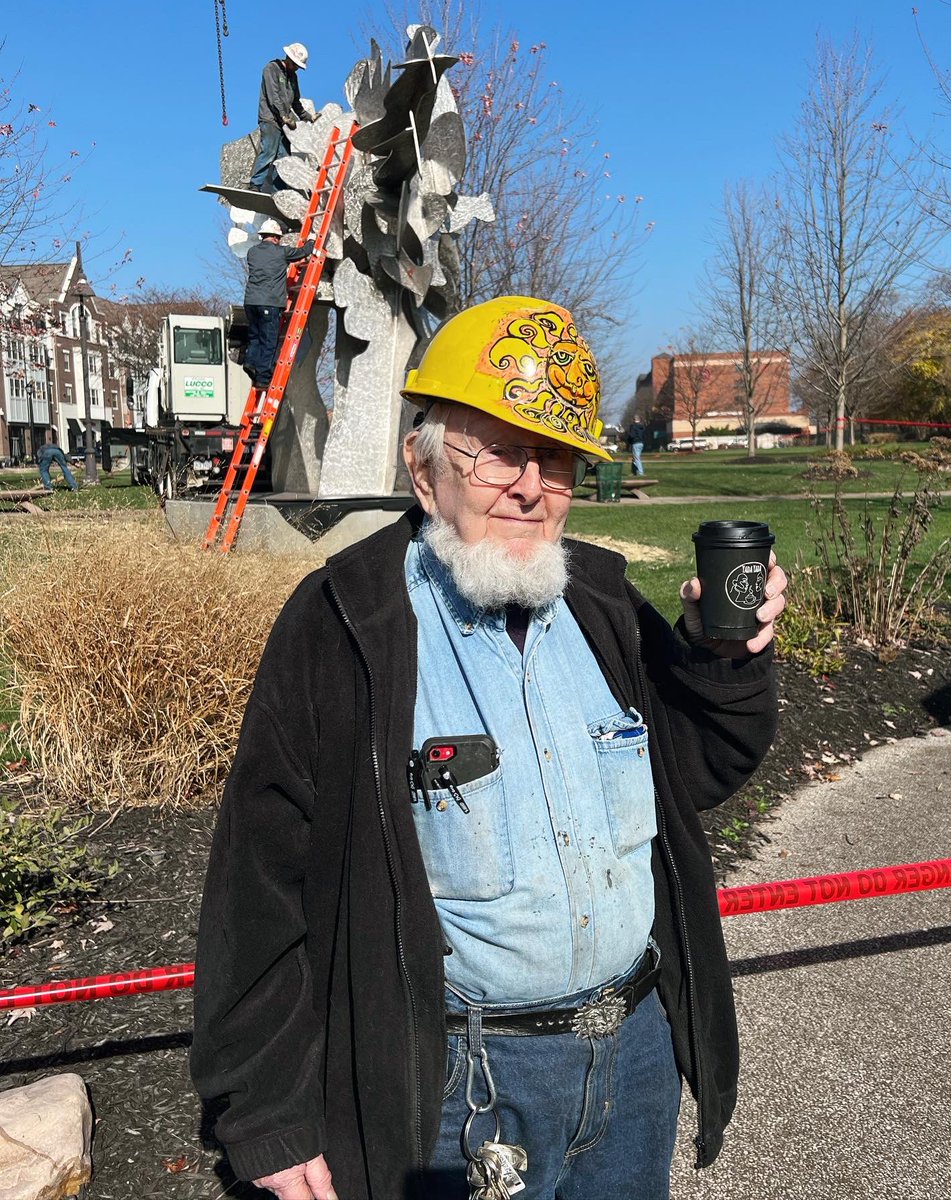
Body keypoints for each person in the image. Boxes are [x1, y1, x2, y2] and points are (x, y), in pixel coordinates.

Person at [191, 295, 787, 1200]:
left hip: (633, 1060)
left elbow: (695, 769)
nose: (529, 487)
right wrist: (267, 1111)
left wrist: (720, 661)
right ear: (423, 469)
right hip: (459, 1083)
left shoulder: (602, 603)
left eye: (555, 460)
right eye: (499, 452)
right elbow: (260, 881)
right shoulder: (346, 623)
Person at [243, 219, 314, 389]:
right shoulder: (281, 252)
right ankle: (263, 378)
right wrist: (312, 241)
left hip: (251, 302)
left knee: (255, 336)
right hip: (270, 302)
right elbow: (302, 252)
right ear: (275, 237)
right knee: (269, 341)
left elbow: (268, 265)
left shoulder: (252, 252)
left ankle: (250, 362)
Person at [250, 42, 316, 193]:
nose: (296, 68)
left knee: (284, 158)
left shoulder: (293, 77)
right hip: (270, 119)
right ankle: (255, 185)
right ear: (288, 58)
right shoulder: (271, 69)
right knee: (269, 151)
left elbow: (295, 102)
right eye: (295, 65)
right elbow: (273, 97)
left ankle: (278, 190)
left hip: (284, 123)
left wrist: (308, 117)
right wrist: (284, 116)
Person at [626, 412, 647, 476]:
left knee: (636, 458)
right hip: (641, 443)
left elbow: (632, 435)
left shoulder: (633, 426)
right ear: (639, 420)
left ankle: (641, 472)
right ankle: (634, 472)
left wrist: (629, 440)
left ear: (634, 420)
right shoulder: (642, 427)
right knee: (634, 458)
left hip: (635, 443)